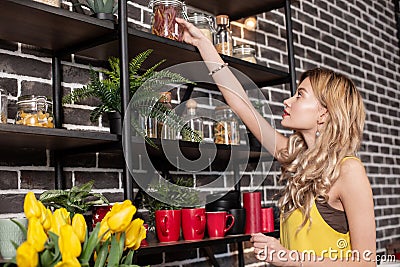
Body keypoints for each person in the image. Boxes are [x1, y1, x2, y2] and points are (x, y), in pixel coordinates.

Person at [176, 17, 376, 266]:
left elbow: (366, 262)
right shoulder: (294, 157)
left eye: (300, 96)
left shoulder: (349, 170)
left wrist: (291, 258)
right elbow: (241, 104)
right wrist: (204, 44)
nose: (287, 102)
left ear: (324, 113)